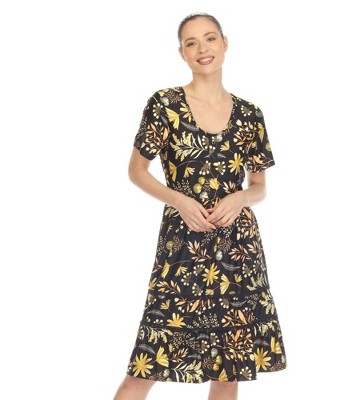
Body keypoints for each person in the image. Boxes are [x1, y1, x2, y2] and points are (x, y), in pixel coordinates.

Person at [113, 12, 287, 400]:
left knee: (228, 370)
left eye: (210, 39)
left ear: (225, 44)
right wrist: (179, 201)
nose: (202, 48)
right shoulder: (165, 104)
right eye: (191, 43)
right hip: (182, 249)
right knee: (147, 365)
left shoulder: (250, 114)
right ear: (182, 53)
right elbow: (136, 171)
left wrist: (241, 197)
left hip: (238, 251)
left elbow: (259, 186)